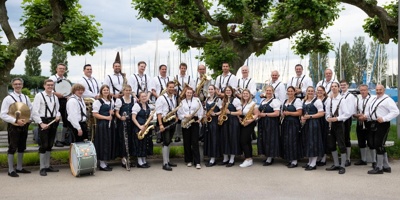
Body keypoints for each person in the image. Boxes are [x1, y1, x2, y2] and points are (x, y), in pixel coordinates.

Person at [0, 78, 33, 177]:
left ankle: (19, 167)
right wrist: (15, 121)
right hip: (13, 126)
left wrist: (29, 119)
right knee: (12, 147)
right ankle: (10, 170)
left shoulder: (26, 97)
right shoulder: (8, 98)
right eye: (16, 84)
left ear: (22, 85)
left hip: (24, 125)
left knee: (22, 147)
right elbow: (2, 114)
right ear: (12, 85)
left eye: (19, 84)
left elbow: (30, 110)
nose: (18, 86)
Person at [365, 84, 399, 174]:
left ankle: (379, 167)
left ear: (384, 90)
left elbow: (396, 111)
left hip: (383, 124)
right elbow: (371, 111)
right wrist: (366, 116)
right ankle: (386, 166)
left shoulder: (388, 100)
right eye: (377, 90)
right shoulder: (374, 99)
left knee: (378, 144)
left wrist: (384, 118)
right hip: (374, 123)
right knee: (375, 144)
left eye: (380, 89)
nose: (378, 91)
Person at [32, 79, 61, 176]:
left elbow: (58, 109)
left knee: (50, 144)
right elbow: (34, 112)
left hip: (53, 122)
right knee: (43, 145)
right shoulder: (38, 96)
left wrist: (57, 115)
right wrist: (40, 123)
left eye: (51, 85)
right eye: (48, 85)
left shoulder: (55, 97)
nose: (50, 87)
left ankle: (48, 165)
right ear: (44, 86)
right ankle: (42, 167)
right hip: (43, 121)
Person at [325, 82, 351, 175]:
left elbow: (347, 114)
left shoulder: (342, 100)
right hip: (331, 124)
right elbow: (327, 111)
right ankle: (336, 164)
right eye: (332, 86)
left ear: (339, 88)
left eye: (335, 86)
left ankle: (342, 166)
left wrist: (337, 118)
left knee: (341, 145)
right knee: (331, 145)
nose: (334, 88)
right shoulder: (329, 100)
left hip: (339, 124)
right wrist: (328, 118)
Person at [177, 87, 204, 169]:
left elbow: (201, 109)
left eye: (190, 92)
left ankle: (197, 162)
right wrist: (185, 116)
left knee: (195, 141)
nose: (189, 94)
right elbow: (179, 113)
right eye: (187, 92)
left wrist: (199, 118)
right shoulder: (182, 102)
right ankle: (188, 160)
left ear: (192, 93)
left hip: (194, 121)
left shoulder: (197, 100)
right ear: (185, 93)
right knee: (187, 142)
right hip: (185, 121)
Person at [155, 81, 178, 171]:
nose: (171, 89)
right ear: (166, 87)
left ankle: (168, 161)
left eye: (173, 87)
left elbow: (173, 109)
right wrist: (160, 124)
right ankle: (164, 163)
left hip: (171, 120)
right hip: (164, 122)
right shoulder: (161, 98)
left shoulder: (173, 97)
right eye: (170, 87)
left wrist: (175, 116)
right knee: (165, 141)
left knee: (169, 141)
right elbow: (159, 112)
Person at [301, 86, 325, 171]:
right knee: (308, 142)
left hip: (314, 123)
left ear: (314, 92)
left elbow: (321, 113)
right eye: (309, 91)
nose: (310, 92)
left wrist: (310, 116)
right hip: (306, 124)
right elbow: (303, 113)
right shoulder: (304, 101)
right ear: (306, 92)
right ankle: (309, 161)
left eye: (312, 91)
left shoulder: (317, 101)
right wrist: (303, 118)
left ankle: (313, 163)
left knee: (313, 142)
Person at [218, 86, 242, 167]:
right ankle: (225, 159)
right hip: (225, 122)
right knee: (224, 139)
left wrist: (230, 112)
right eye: (226, 90)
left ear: (232, 91)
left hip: (233, 122)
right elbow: (221, 111)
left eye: (229, 90)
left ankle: (232, 159)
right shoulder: (223, 100)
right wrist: (220, 115)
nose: (228, 92)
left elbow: (239, 112)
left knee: (232, 139)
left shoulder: (235, 100)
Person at [257, 85, 281, 166]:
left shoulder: (275, 101)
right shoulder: (262, 100)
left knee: (270, 139)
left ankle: (270, 158)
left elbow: (277, 113)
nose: (268, 92)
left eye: (270, 91)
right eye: (267, 90)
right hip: (263, 122)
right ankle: (267, 156)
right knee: (264, 138)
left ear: (273, 92)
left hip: (271, 123)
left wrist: (265, 114)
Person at [92, 85, 115, 171]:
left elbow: (111, 111)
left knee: (108, 142)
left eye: (107, 90)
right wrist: (106, 117)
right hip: (102, 124)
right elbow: (95, 114)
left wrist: (111, 112)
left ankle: (105, 162)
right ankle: (101, 163)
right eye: (104, 90)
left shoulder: (111, 101)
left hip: (109, 124)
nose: (106, 91)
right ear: (101, 91)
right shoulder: (98, 101)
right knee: (103, 142)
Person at [353, 84, 375, 167]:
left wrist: (365, 116)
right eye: (361, 90)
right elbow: (354, 111)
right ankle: (363, 159)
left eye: (364, 90)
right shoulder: (357, 99)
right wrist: (357, 115)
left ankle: (374, 161)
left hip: (369, 122)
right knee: (361, 141)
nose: (362, 92)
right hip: (360, 122)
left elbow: (373, 110)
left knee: (371, 142)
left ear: (367, 90)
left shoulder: (372, 99)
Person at [49, 63, 71, 147]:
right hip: (54, 100)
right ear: (56, 69)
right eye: (60, 68)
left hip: (64, 101)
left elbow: (68, 91)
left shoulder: (66, 80)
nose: (61, 70)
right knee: (55, 120)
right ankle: (54, 140)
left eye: (63, 69)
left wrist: (68, 96)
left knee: (66, 120)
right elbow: (48, 88)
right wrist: (55, 93)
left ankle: (62, 139)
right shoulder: (52, 78)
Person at [281, 86, 303, 168]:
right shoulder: (285, 101)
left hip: (293, 123)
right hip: (286, 123)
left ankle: (294, 161)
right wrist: (283, 114)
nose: (290, 93)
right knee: (287, 141)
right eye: (288, 91)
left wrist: (289, 113)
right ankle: (290, 159)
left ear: (294, 92)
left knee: (293, 141)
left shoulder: (297, 100)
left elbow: (300, 113)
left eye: (291, 91)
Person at [174, 63, 196, 143]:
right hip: (179, 98)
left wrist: (186, 91)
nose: (183, 69)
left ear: (186, 69)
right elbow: (174, 88)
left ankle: (186, 134)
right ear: (179, 68)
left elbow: (193, 89)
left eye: (184, 68)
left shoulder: (189, 78)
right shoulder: (176, 77)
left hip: (187, 98)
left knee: (187, 114)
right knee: (178, 116)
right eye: (182, 68)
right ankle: (177, 135)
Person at [115, 85, 136, 168]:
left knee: (130, 140)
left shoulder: (133, 100)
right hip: (123, 123)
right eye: (126, 90)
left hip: (131, 122)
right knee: (123, 140)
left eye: (129, 90)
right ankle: (124, 160)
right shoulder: (119, 100)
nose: (128, 92)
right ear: (123, 91)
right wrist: (120, 117)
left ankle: (129, 159)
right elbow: (116, 112)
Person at [131, 92, 154, 168]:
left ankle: (144, 160)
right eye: (142, 96)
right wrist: (140, 126)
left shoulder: (147, 106)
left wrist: (151, 118)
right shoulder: (136, 106)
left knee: (145, 143)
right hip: (139, 127)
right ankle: (139, 162)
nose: (144, 98)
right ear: (139, 98)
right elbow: (133, 118)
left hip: (146, 126)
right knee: (139, 144)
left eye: (145, 96)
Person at [150, 64, 172, 143]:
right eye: (162, 69)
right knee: (158, 117)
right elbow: (153, 91)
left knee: (166, 117)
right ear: (159, 70)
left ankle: (167, 137)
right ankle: (159, 136)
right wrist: (159, 97)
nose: (164, 70)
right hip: (159, 99)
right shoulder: (155, 79)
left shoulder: (170, 78)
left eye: (165, 69)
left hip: (168, 100)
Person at [238, 89, 258, 168]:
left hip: (249, 122)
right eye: (244, 94)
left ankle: (248, 158)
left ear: (250, 95)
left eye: (247, 94)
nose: (245, 95)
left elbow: (256, 114)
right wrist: (239, 118)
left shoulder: (253, 104)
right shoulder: (242, 103)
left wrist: (249, 121)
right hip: (243, 122)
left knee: (243, 140)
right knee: (247, 141)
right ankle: (250, 159)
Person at [203, 85, 222, 167]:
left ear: (215, 90)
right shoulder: (207, 99)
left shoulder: (218, 100)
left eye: (212, 89)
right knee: (209, 139)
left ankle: (213, 159)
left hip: (214, 122)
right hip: (208, 121)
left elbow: (222, 111)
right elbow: (205, 109)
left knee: (214, 139)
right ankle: (210, 156)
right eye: (209, 89)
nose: (210, 91)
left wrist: (215, 114)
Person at [340, 79, 356, 166]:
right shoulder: (339, 95)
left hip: (346, 119)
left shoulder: (350, 96)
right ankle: (343, 157)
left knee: (346, 138)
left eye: (344, 85)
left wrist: (342, 119)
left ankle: (348, 159)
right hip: (339, 119)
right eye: (341, 85)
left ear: (347, 86)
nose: (342, 86)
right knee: (340, 138)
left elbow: (350, 110)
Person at [316, 86, 329, 166]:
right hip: (317, 120)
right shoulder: (315, 99)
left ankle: (324, 158)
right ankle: (318, 156)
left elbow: (328, 111)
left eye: (321, 91)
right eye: (318, 91)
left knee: (324, 138)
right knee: (317, 138)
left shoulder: (327, 100)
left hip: (324, 121)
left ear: (324, 92)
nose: (319, 92)